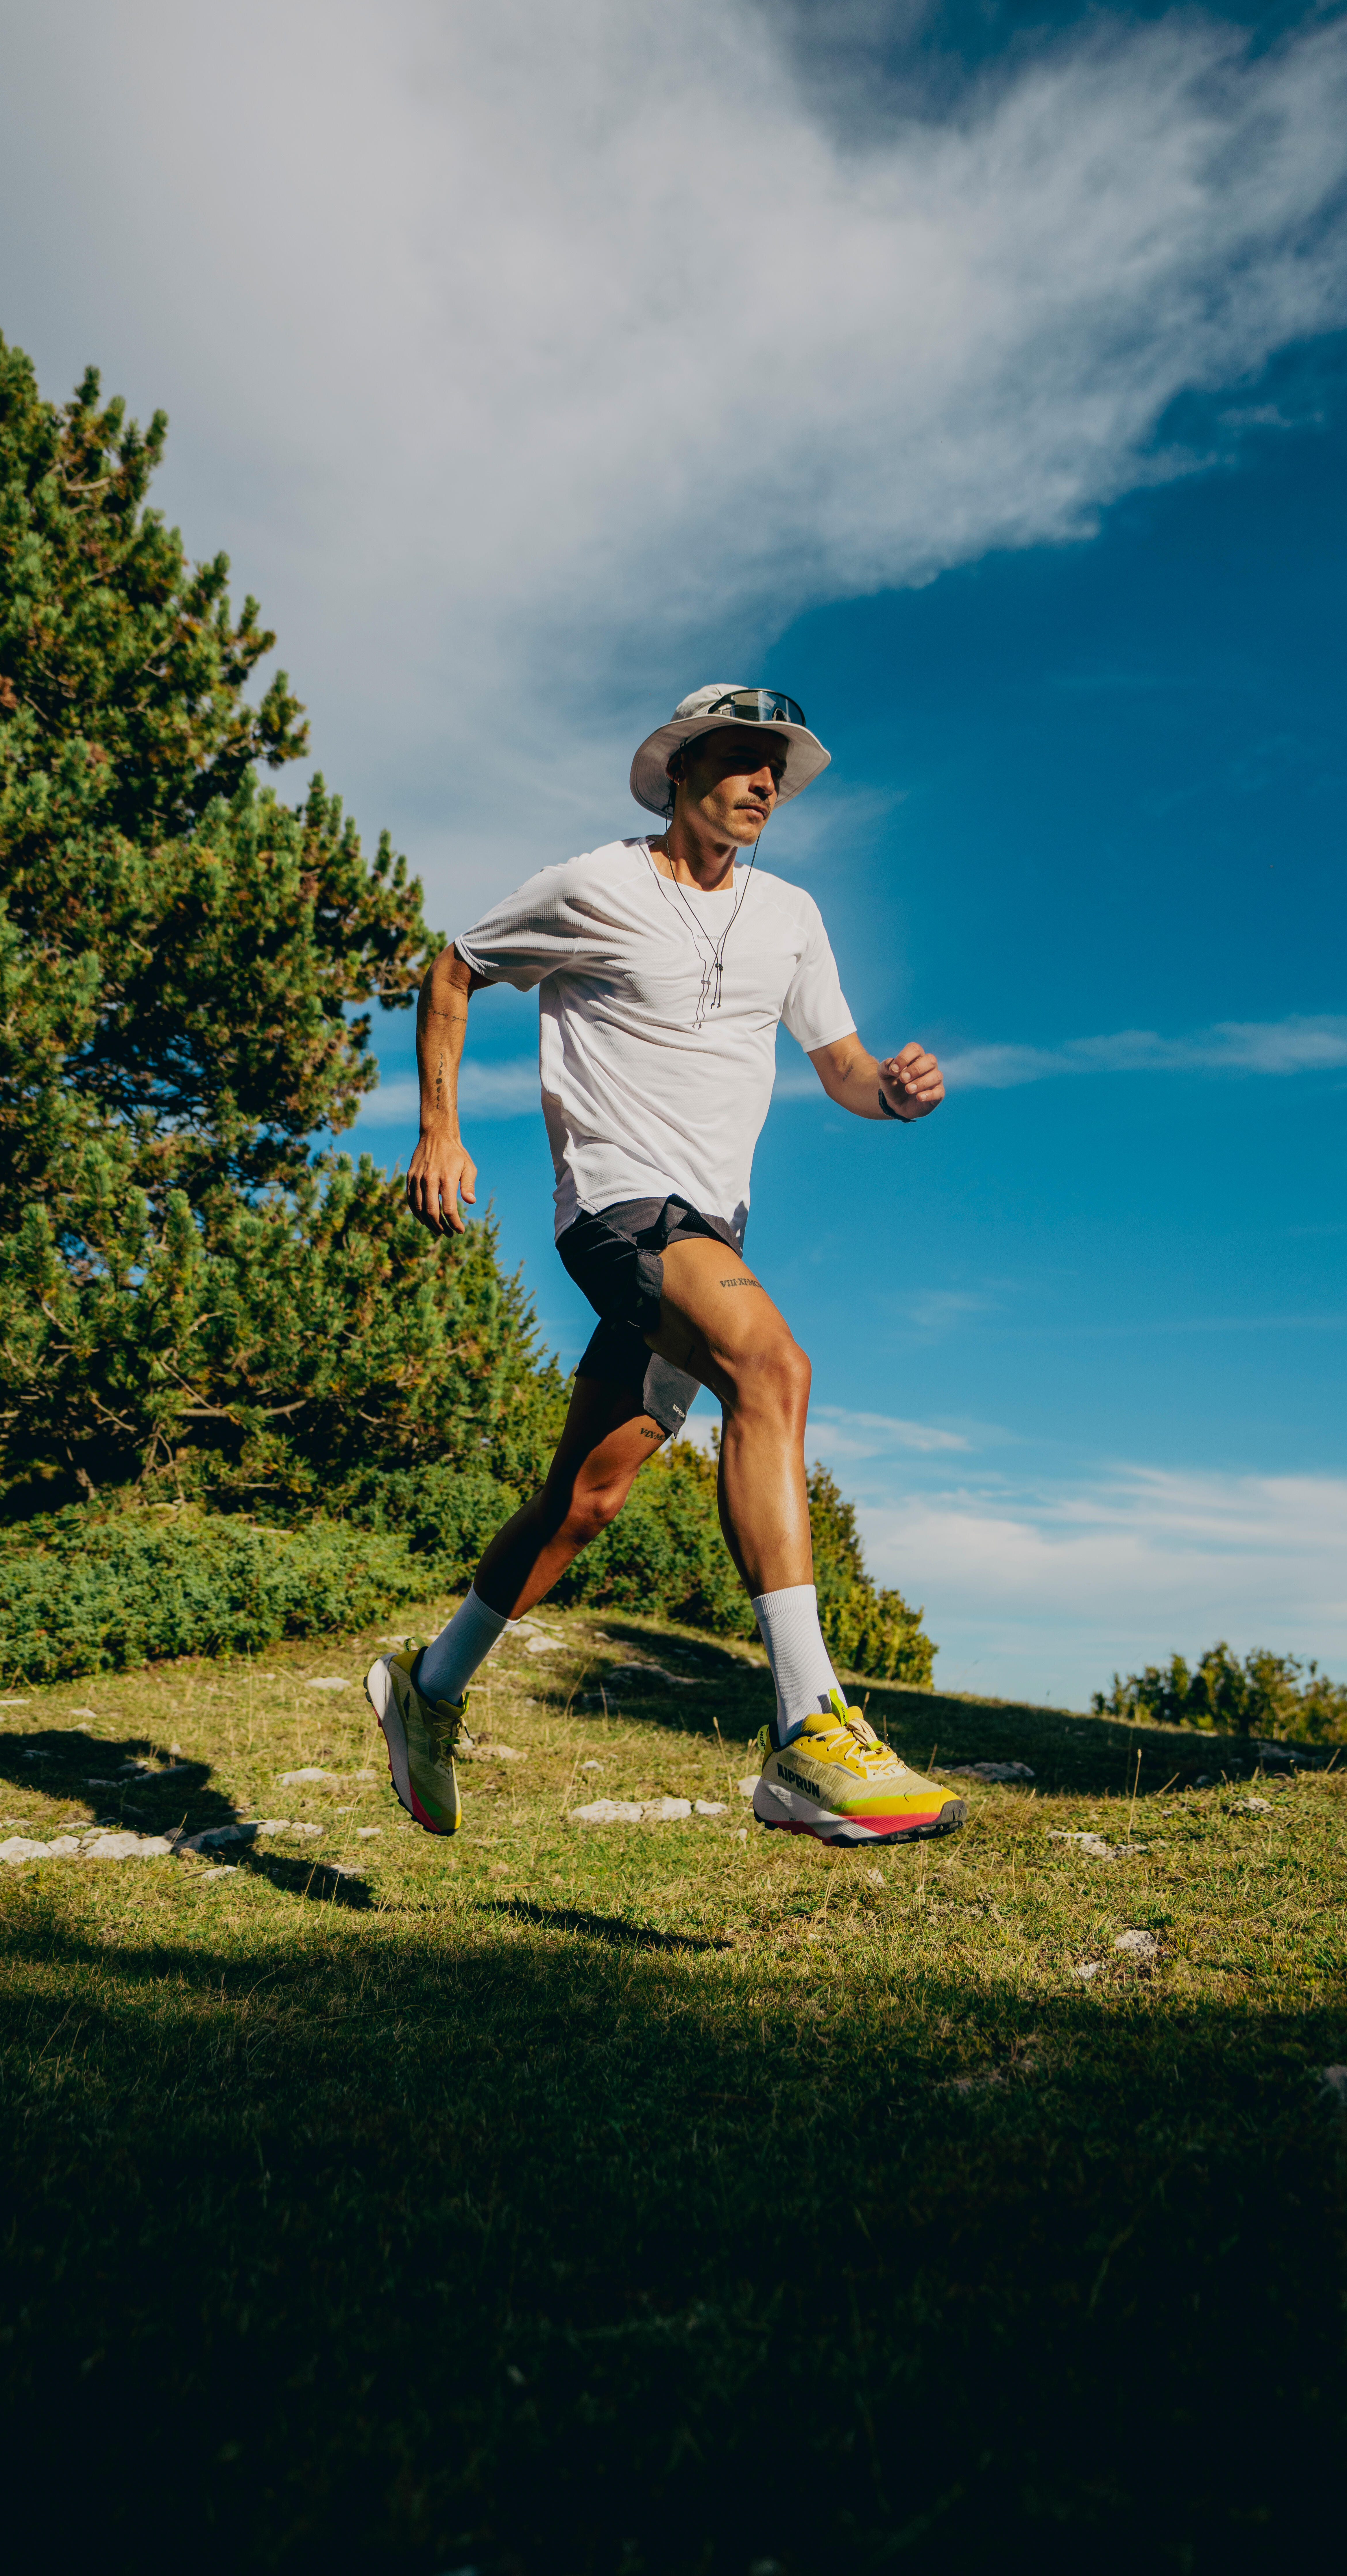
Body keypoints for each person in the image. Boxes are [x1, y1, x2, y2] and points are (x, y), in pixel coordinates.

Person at [367, 682, 960, 1849]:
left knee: (586, 1499)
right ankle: (809, 1731)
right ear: (679, 773)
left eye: (776, 769)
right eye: (740, 759)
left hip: (711, 1235)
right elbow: (453, 969)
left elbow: (840, 1064)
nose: (763, 783)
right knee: (773, 1369)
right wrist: (439, 1128)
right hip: (621, 1208)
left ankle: (427, 1690)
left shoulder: (791, 915)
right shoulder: (594, 886)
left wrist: (891, 1092)